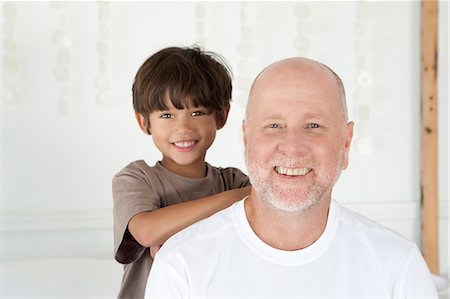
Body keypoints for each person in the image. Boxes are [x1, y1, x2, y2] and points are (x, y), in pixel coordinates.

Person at [145, 57, 438, 298]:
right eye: (274, 125)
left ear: (346, 143)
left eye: (313, 125)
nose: (293, 146)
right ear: (247, 140)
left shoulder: (398, 265)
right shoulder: (182, 263)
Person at [112, 46, 251, 299]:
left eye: (196, 113)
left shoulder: (234, 181)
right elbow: (146, 232)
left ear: (222, 116)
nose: (183, 127)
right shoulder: (137, 178)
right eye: (167, 115)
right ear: (144, 122)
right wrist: (237, 200)